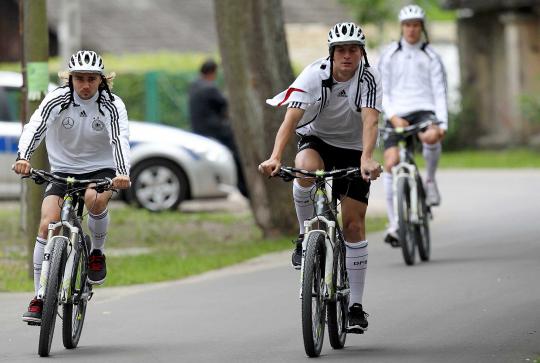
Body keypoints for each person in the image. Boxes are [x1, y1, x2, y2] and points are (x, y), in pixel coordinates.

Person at [259, 22, 382, 332]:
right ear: (332, 53)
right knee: (304, 167)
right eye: (341, 50)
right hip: (320, 141)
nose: (347, 56)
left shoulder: (369, 77)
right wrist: (275, 157)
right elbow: (290, 120)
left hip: (355, 149)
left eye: (354, 49)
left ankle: (355, 306)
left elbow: (370, 122)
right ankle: (304, 237)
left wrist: (367, 158)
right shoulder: (315, 74)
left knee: (354, 225)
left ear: (361, 53)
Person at [13, 50, 131, 324]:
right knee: (47, 224)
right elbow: (36, 126)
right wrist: (23, 157)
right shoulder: (57, 99)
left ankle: (96, 254)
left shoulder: (112, 104)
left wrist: (122, 173)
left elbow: (119, 139)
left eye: (92, 79)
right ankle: (40, 297)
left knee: (95, 201)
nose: (86, 85)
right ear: (70, 79)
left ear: (102, 80)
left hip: (101, 169)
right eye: (80, 79)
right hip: (63, 170)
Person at [378, 4, 448, 246]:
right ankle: (395, 223)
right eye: (407, 25)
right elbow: (382, 91)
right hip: (396, 113)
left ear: (421, 27)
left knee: (430, 137)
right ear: (401, 27)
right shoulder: (388, 55)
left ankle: (429, 180)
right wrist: (393, 115)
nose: (411, 30)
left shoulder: (431, 56)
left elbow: (440, 92)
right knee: (390, 163)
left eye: (416, 25)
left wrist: (442, 124)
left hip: (424, 111)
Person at [188, 59, 249, 198]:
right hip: (215, 131)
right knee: (237, 153)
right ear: (212, 72)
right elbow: (225, 105)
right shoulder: (210, 88)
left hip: (198, 129)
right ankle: (243, 188)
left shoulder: (194, 85)